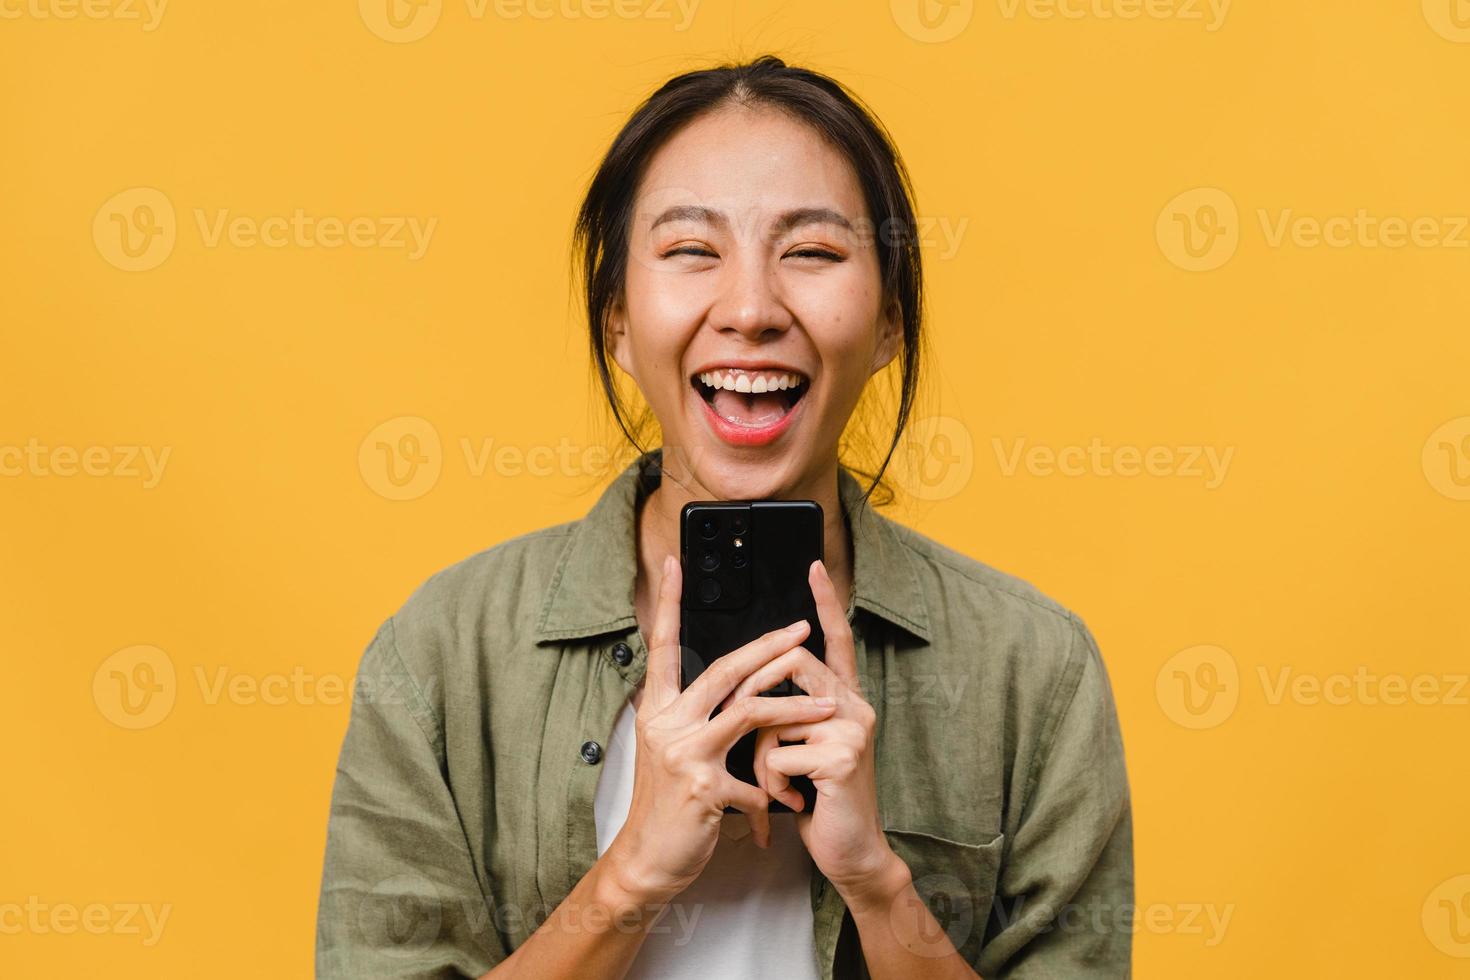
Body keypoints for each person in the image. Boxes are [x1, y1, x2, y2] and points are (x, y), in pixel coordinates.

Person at [315, 55, 1132, 979]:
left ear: (891, 324)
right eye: (692, 251)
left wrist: (876, 881)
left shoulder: (1034, 674)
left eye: (813, 252)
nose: (750, 309)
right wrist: (631, 877)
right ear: (617, 320)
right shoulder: (440, 655)